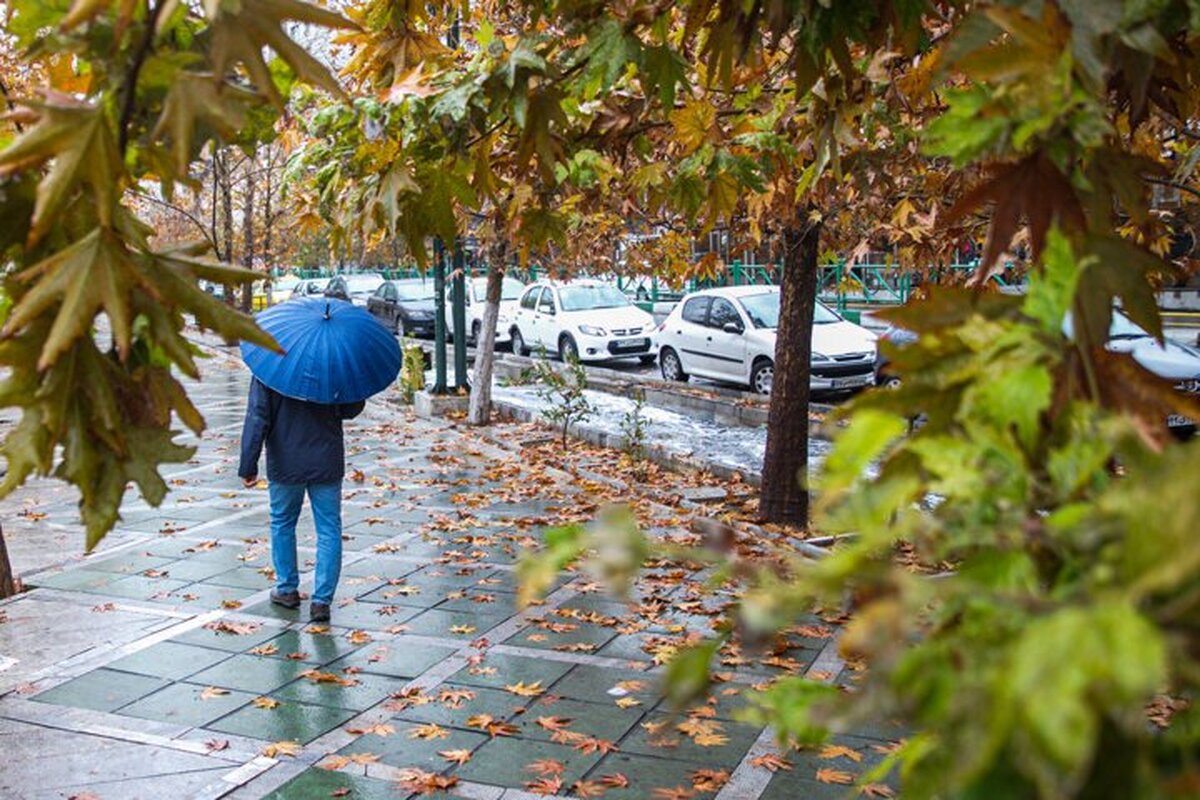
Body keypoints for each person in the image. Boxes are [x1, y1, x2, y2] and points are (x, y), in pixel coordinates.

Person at [238, 377, 364, 622]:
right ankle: (321, 601)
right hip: (326, 458)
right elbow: (350, 409)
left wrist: (248, 464)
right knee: (329, 529)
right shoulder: (332, 364)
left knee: (283, 523)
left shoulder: (269, 368)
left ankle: (286, 589)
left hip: (286, 461)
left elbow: (257, 416)